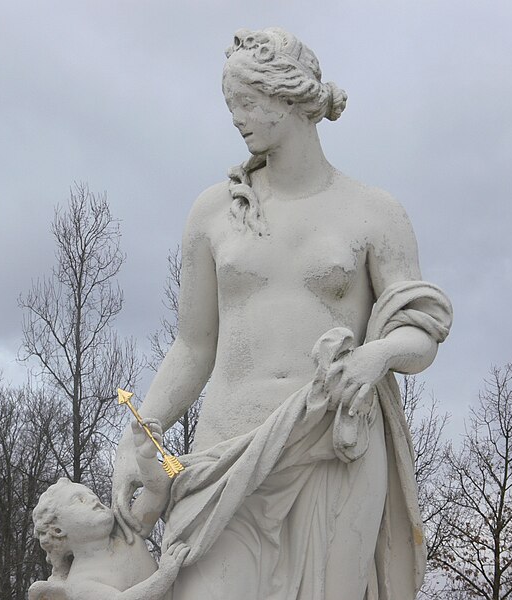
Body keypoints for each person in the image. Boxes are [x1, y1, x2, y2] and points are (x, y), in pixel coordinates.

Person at [112, 27, 452, 600]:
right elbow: (193, 347)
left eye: (247, 103)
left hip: (332, 453)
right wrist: (138, 434)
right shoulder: (213, 213)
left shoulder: (374, 213)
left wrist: (376, 357)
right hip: (225, 455)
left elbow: (421, 331)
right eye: (230, 106)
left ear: (290, 97)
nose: (237, 119)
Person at [29, 421, 188, 600]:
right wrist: (164, 575)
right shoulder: (80, 582)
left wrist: (146, 458)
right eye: (79, 500)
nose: (93, 499)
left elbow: (157, 492)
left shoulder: (124, 531)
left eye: (91, 494)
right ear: (58, 531)